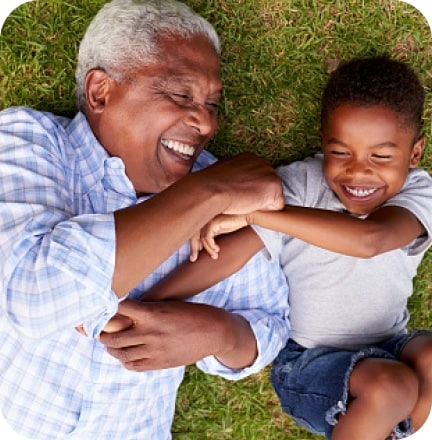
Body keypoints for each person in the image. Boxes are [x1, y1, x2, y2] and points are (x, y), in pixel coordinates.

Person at [0, 0, 291, 438]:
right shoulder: (29, 140)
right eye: (180, 94)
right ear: (100, 91)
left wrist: (217, 333)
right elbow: (34, 296)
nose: (206, 123)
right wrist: (208, 191)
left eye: (212, 103)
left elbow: (270, 325)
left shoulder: (226, 197)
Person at [126, 56, 432, 440]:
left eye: (382, 157)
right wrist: (148, 304)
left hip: (392, 344)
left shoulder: (417, 192)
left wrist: (259, 214)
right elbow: (231, 255)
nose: (358, 172)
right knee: (392, 387)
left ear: (414, 153)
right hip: (310, 362)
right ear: (324, 141)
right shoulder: (301, 184)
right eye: (340, 153)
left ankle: (393, 428)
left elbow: (372, 240)